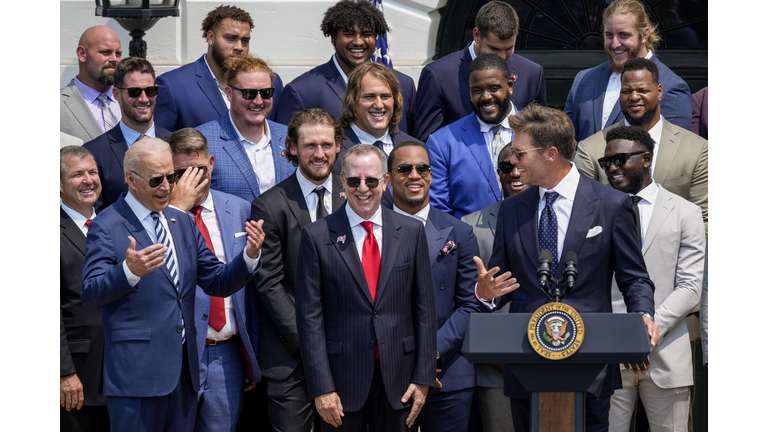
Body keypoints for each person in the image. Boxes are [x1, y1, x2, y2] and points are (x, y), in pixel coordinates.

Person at [474, 104, 658, 432]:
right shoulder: (512, 210)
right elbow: (500, 283)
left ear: (551, 154)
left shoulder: (612, 205)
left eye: (519, 153)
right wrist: (486, 294)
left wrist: (643, 315)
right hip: (526, 364)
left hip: (589, 364)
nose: (512, 162)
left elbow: (634, 279)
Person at [80, 138, 265, 432]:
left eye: (172, 177)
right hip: (136, 378)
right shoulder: (108, 223)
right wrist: (129, 271)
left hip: (184, 373)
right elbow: (90, 294)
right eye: (156, 179)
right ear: (131, 179)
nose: (167, 187)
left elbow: (217, 281)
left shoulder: (180, 221)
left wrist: (250, 256)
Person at [295, 144, 437, 431]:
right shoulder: (316, 236)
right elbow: (309, 319)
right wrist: (321, 388)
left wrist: (423, 378)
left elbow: (424, 310)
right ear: (342, 182)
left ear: (385, 182)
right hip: (340, 385)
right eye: (354, 180)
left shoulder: (411, 232)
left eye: (371, 180)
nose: (363, 188)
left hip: (400, 381)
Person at [601, 126, 705, 432]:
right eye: (606, 162)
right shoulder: (594, 211)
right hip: (609, 352)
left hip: (667, 353)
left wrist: (645, 332)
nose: (612, 167)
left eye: (620, 159)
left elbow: (689, 287)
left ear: (646, 158)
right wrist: (628, 336)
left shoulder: (686, 212)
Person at [251, 108, 347, 432]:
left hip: (348, 350)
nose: (319, 154)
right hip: (290, 356)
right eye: (309, 146)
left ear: (338, 145)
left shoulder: (357, 199)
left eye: (326, 144)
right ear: (292, 147)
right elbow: (269, 284)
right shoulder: (270, 204)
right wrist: (311, 343)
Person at [166, 128, 262, 432]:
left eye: (198, 169)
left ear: (212, 162)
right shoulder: (158, 214)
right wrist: (175, 211)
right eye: (181, 173)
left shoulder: (239, 208)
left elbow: (250, 289)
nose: (192, 178)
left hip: (227, 353)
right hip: (178, 356)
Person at [386, 142, 482, 432]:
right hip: (390, 371)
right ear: (388, 178)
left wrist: (430, 355)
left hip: (448, 372)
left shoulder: (461, 232)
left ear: (431, 176)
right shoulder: (371, 229)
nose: (414, 175)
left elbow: (470, 304)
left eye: (422, 168)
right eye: (404, 168)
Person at [574, 57, 707, 233]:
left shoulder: (697, 149)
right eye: (626, 91)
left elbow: (703, 221)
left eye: (642, 90)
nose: (634, 97)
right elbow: (582, 217)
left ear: (659, 92)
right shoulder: (590, 149)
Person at [460, 142, 529, 432]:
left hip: (554, 354)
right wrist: (495, 353)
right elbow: (464, 298)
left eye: (521, 165)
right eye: (506, 167)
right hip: (495, 366)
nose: (514, 172)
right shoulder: (469, 226)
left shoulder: (559, 218)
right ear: (497, 173)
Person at [275, 0, 417, 135]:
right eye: (349, 34)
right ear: (333, 37)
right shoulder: (302, 91)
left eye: (367, 34)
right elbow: (288, 149)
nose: (358, 42)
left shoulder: (404, 85)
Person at [413, 1, 546, 142]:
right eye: (494, 48)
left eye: (508, 49)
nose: (502, 56)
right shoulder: (438, 75)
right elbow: (427, 141)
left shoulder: (532, 73)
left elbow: (540, 134)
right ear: (476, 35)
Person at [564, 0, 692, 141]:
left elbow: (672, 153)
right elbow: (567, 145)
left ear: (644, 35)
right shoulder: (583, 79)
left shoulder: (671, 86)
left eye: (624, 35)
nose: (615, 44)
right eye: (609, 35)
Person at [154, 5, 284, 131]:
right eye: (231, 38)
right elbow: (161, 144)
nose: (240, 47)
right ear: (211, 37)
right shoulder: (173, 85)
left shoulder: (271, 83)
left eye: (245, 40)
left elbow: (279, 136)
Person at [427, 54, 516, 219]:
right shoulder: (442, 142)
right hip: (471, 242)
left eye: (494, 88)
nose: (486, 97)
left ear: (509, 86)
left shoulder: (537, 131)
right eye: (477, 90)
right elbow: (439, 213)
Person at [196, 54, 294, 203]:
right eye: (249, 94)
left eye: (266, 93)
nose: (258, 101)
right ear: (229, 93)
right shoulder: (203, 140)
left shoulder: (289, 136)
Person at [60, 146, 110, 432]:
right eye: (78, 174)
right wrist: (64, 372)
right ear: (58, 183)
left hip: (123, 375)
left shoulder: (116, 222)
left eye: (92, 172)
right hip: (78, 380)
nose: (88, 180)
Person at [83, 57, 173, 213]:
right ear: (117, 94)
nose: (144, 99)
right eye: (135, 92)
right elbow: (93, 216)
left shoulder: (175, 144)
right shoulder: (94, 153)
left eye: (150, 91)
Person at [61, 26, 123, 142]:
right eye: (106, 52)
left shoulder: (130, 99)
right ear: (82, 54)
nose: (114, 59)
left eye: (118, 54)